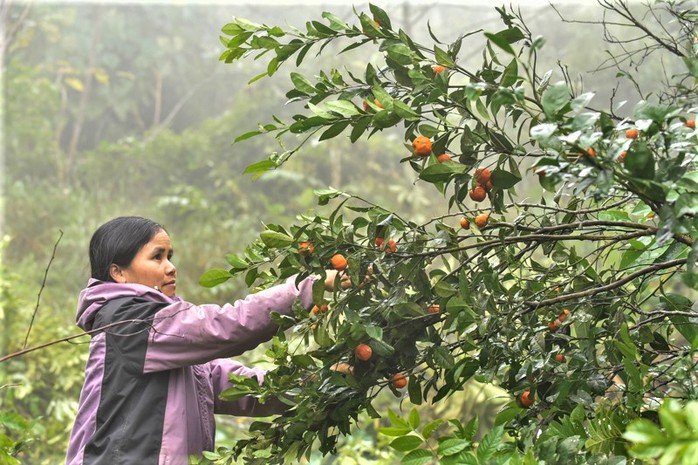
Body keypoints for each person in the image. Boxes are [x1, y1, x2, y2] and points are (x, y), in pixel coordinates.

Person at [65, 216, 348, 465]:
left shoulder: (171, 344)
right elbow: (226, 326)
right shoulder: (128, 322)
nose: (171, 267)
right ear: (119, 273)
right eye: (157, 257)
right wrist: (309, 285)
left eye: (170, 256)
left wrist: (320, 384)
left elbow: (246, 390)